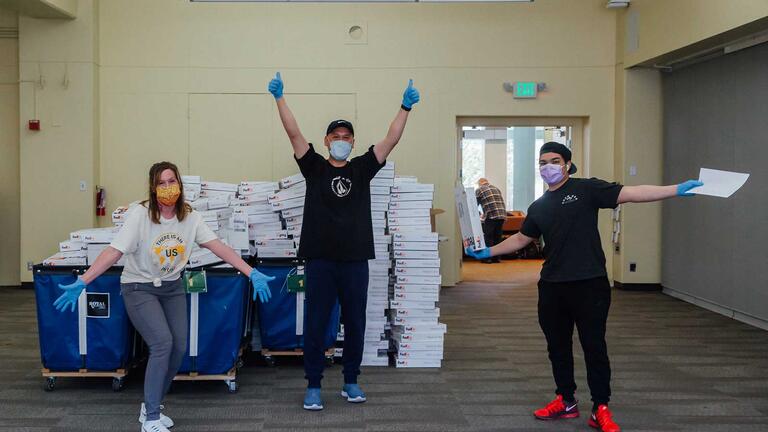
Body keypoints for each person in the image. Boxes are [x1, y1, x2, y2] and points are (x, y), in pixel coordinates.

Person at [465, 142, 703, 432]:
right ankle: (565, 401)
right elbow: (520, 239)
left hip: (589, 284)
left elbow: (630, 193)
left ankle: (600, 407)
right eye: (542, 162)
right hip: (552, 287)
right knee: (558, 347)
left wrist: (675, 189)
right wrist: (488, 252)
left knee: (594, 346)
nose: (547, 167)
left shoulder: (586, 189)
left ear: (567, 164)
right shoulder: (539, 206)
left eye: (554, 161)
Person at [54, 161, 275, 432]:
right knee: (162, 343)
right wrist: (83, 280)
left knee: (179, 347)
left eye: (172, 181)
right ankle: (152, 418)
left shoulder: (190, 218)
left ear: (180, 185)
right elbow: (114, 251)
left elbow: (218, 247)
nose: (168, 187)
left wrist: (251, 272)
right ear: (153, 187)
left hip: (172, 287)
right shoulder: (140, 215)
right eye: (161, 183)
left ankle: (151, 403)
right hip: (138, 287)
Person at [267, 72, 420, 411]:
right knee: (317, 323)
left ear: (352, 143)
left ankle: (351, 380)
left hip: (354, 260)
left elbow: (390, 140)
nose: (341, 140)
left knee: (355, 321)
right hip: (320, 259)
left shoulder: (362, 168)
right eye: (335, 136)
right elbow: (293, 133)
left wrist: (404, 107)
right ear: (326, 141)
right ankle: (313, 385)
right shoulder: (315, 168)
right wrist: (280, 98)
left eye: (346, 137)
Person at [475, 178, 507, 263]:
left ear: (480, 183)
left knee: (488, 237)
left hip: (491, 216)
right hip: (502, 215)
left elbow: (474, 204)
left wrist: (477, 214)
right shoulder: (496, 188)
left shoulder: (479, 190)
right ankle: (496, 258)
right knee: (497, 237)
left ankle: (487, 258)